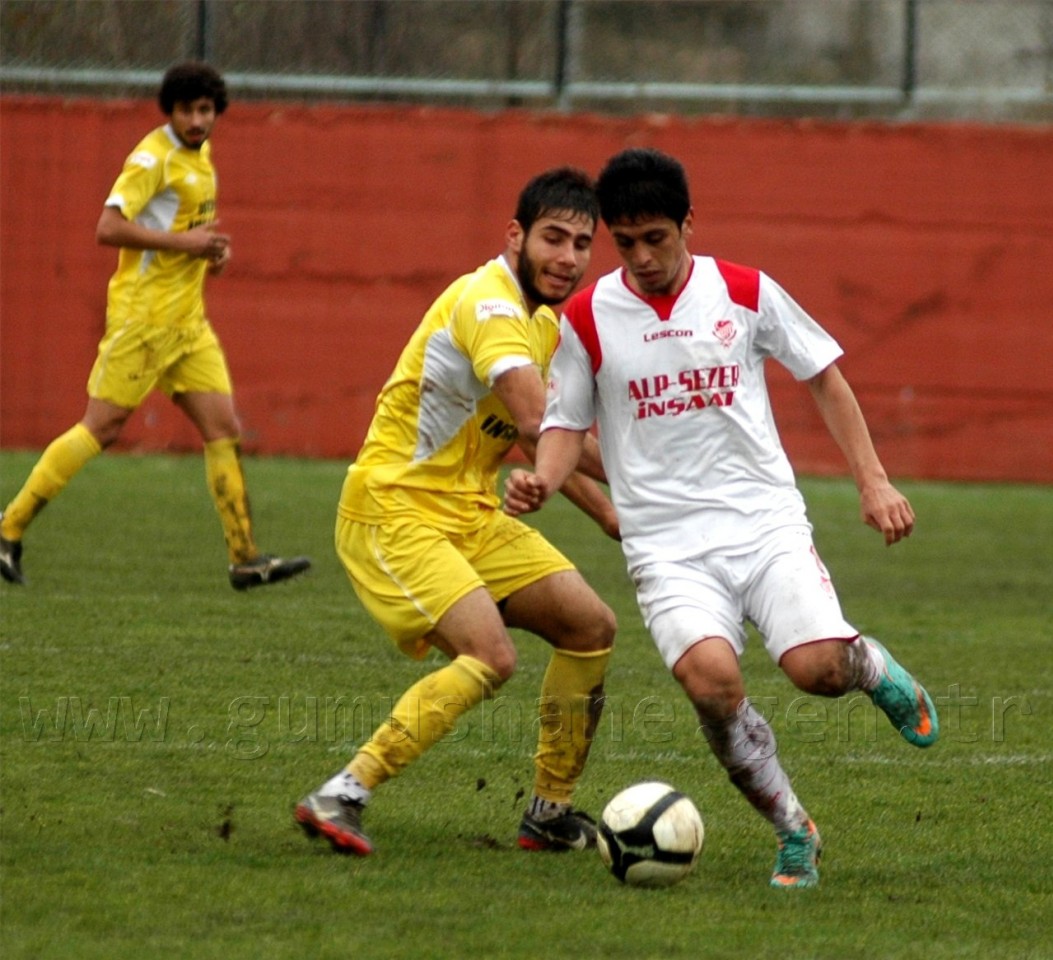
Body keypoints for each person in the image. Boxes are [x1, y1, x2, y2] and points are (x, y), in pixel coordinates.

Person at [504, 147, 939, 890]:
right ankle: (792, 829)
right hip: (665, 546)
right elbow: (564, 425)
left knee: (817, 672)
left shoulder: (744, 291)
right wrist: (543, 482)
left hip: (762, 524)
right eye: (625, 241)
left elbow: (824, 378)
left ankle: (866, 663)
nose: (641, 258)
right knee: (711, 684)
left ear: (687, 226)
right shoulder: (584, 318)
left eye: (656, 239)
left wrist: (873, 482)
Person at [294, 167, 619, 857]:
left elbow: (547, 442)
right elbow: (539, 424)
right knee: (490, 655)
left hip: (464, 513)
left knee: (589, 626)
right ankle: (343, 791)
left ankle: (548, 813)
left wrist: (615, 520)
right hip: (393, 508)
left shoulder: (544, 321)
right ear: (515, 235)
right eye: (552, 238)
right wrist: (655, 480)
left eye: (580, 244)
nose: (566, 257)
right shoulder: (490, 306)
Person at [0, 62, 310, 591]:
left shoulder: (202, 155)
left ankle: (245, 558)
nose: (197, 119)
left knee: (223, 430)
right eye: (187, 110)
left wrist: (209, 252)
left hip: (188, 326)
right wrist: (187, 244)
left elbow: (184, 230)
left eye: (206, 110)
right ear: (171, 111)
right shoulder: (152, 158)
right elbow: (108, 228)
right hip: (142, 322)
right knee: (101, 428)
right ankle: (8, 529)